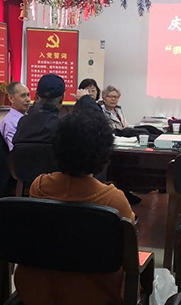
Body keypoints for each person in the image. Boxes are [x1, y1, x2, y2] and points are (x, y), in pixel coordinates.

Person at [14, 111, 135, 305]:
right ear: (104, 153)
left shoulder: (39, 186)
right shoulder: (114, 200)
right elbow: (129, 252)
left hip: (37, 293)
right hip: (96, 296)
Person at [0, 82, 30, 151]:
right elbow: (15, 151)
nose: (28, 99)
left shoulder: (27, 117)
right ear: (11, 98)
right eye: (23, 96)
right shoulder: (10, 123)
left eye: (28, 95)